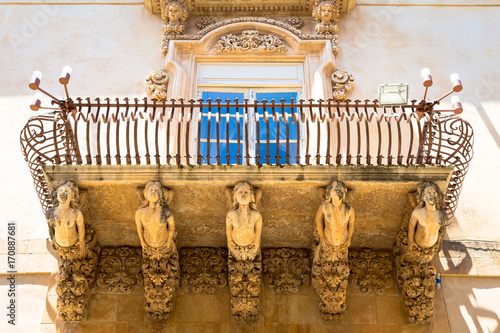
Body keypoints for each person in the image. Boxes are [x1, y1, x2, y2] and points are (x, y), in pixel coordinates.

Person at [314, 180, 355, 262]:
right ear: (329, 193)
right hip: (328, 240)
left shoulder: (349, 209)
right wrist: (322, 237)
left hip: (342, 242)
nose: (337, 192)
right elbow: (318, 221)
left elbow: (351, 223)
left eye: (340, 190)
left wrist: (349, 238)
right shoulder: (324, 207)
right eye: (334, 190)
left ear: (344, 194)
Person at [46, 181, 86, 257]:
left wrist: (82, 243)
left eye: (66, 191)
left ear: (72, 196)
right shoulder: (50, 213)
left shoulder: (75, 213)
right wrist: (52, 241)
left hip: (74, 244)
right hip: (59, 245)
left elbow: (81, 228)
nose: (63, 193)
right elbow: (50, 229)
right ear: (57, 195)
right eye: (60, 191)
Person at [226, 182, 262, 261]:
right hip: (236, 248)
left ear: (251, 197)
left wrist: (256, 240)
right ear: (235, 197)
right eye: (240, 192)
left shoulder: (256, 215)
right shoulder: (231, 214)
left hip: (251, 248)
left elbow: (258, 230)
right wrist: (229, 240)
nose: (243, 194)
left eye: (246, 192)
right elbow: (228, 230)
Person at [135, 181, 175, 250]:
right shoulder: (140, 212)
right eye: (151, 190)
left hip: (163, 243)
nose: (153, 192)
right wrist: (142, 241)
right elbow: (139, 227)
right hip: (147, 243)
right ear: (146, 195)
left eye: (156, 190)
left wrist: (169, 241)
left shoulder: (167, 212)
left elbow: (171, 227)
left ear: (161, 195)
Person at [408, 182, 447, 249]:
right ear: (423, 197)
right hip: (418, 243)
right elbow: (411, 228)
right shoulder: (417, 212)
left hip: (433, 244)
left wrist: (438, 243)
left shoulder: (442, 215)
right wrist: (411, 241)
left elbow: (441, 231)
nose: (432, 194)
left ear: (437, 197)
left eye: (434, 193)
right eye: (428, 192)